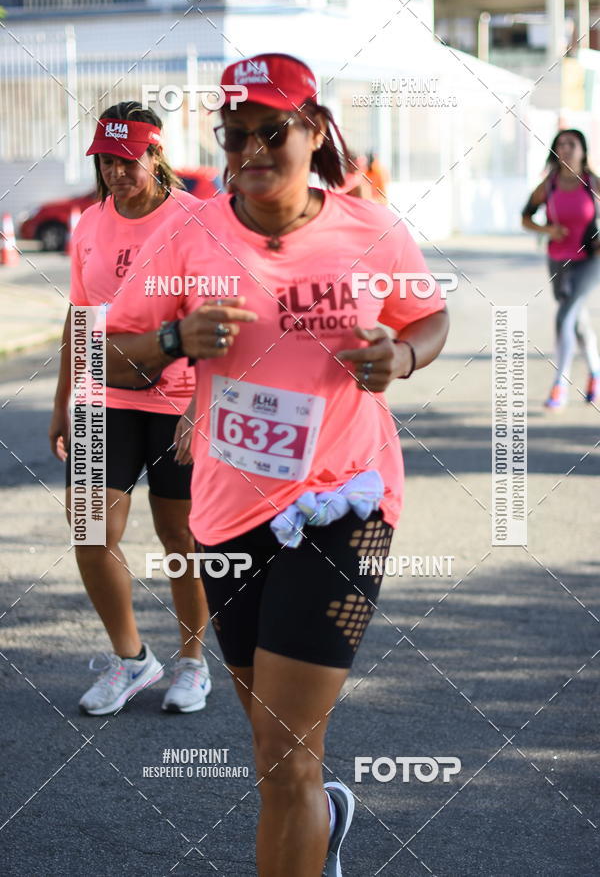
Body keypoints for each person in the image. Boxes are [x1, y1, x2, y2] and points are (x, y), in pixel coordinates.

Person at [104, 54, 449, 876]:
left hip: (346, 503)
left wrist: (397, 356)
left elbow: (430, 316)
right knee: (273, 748)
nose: (251, 149)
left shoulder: (370, 229)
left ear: (313, 130)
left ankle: (309, 811)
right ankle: (324, 817)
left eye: (271, 130)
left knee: (286, 756)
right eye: (234, 135)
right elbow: (108, 352)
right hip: (228, 510)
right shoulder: (189, 232)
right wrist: (172, 343)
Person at [49, 101, 212, 716]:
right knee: (90, 531)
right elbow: (80, 312)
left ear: (154, 153)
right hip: (102, 393)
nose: (116, 172)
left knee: (181, 537)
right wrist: (65, 396)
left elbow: (215, 322)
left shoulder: (197, 221)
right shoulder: (89, 223)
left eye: (127, 159)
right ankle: (131, 659)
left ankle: (192, 662)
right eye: (106, 161)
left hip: (177, 400)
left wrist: (202, 403)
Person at [522, 128, 600, 408]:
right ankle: (596, 373)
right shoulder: (549, 185)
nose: (565, 148)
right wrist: (547, 229)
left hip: (591, 260)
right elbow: (525, 217)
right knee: (576, 318)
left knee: (565, 316)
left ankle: (560, 386)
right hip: (558, 258)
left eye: (572, 143)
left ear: (583, 150)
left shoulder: (592, 182)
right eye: (560, 144)